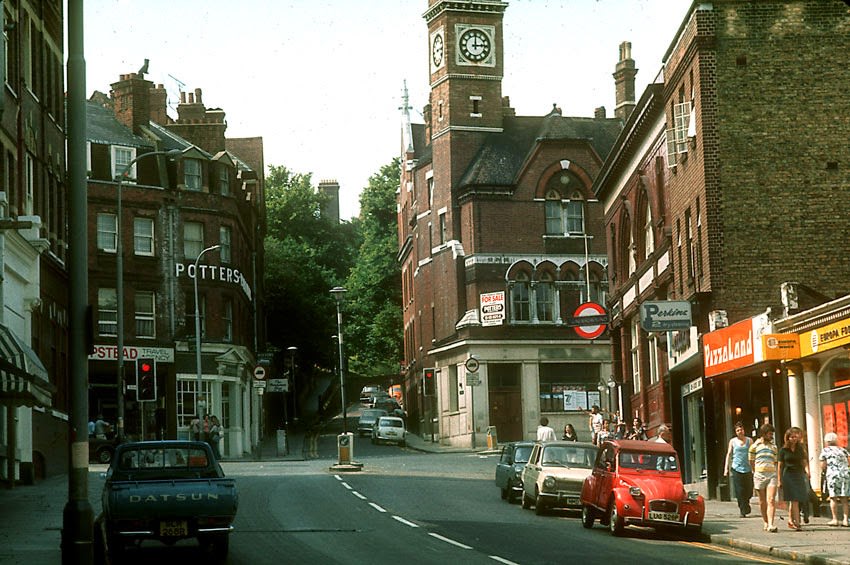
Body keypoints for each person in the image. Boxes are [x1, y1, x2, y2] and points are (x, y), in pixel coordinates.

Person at [777, 426, 810, 531]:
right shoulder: (783, 450)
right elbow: (780, 466)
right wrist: (779, 479)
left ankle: (791, 521)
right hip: (788, 476)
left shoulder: (800, 449)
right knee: (794, 499)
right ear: (787, 438)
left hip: (799, 474)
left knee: (795, 499)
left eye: (795, 437)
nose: (794, 439)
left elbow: (804, 462)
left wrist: (807, 471)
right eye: (791, 437)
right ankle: (797, 522)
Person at [750, 423, 779, 532]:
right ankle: (766, 522)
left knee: (771, 499)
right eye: (769, 433)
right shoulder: (754, 447)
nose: (771, 436)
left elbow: (775, 462)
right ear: (763, 433)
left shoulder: (774, 447)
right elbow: (751, 461)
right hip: (759, 475)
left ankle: (771, 524)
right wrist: (755, 471)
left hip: (772, 475)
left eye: (772, 434)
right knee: (762, 501)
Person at [820, 432, 850, 527]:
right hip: (845, 475)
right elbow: (848, 462)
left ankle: (835, 519)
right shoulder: (843, 450)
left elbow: (823, 465)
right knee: (845, 499)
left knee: (833, 498)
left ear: (826, 442)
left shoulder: (825, 451)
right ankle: (846, 520)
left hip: (833, 475)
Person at [724, 421, 754, 518]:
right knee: (739, 490)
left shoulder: (749, 441)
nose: (740, 431)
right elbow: (729, 454)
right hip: (736, 468)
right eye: (738, 430)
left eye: (741, 429)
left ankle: (746, 503)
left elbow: (754, 454)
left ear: (744, 430)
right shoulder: (733, 441)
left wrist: (754, 466)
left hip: (748, 468)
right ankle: (743, 510)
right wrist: (726, 469)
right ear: (735, 432)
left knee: (749, 489)